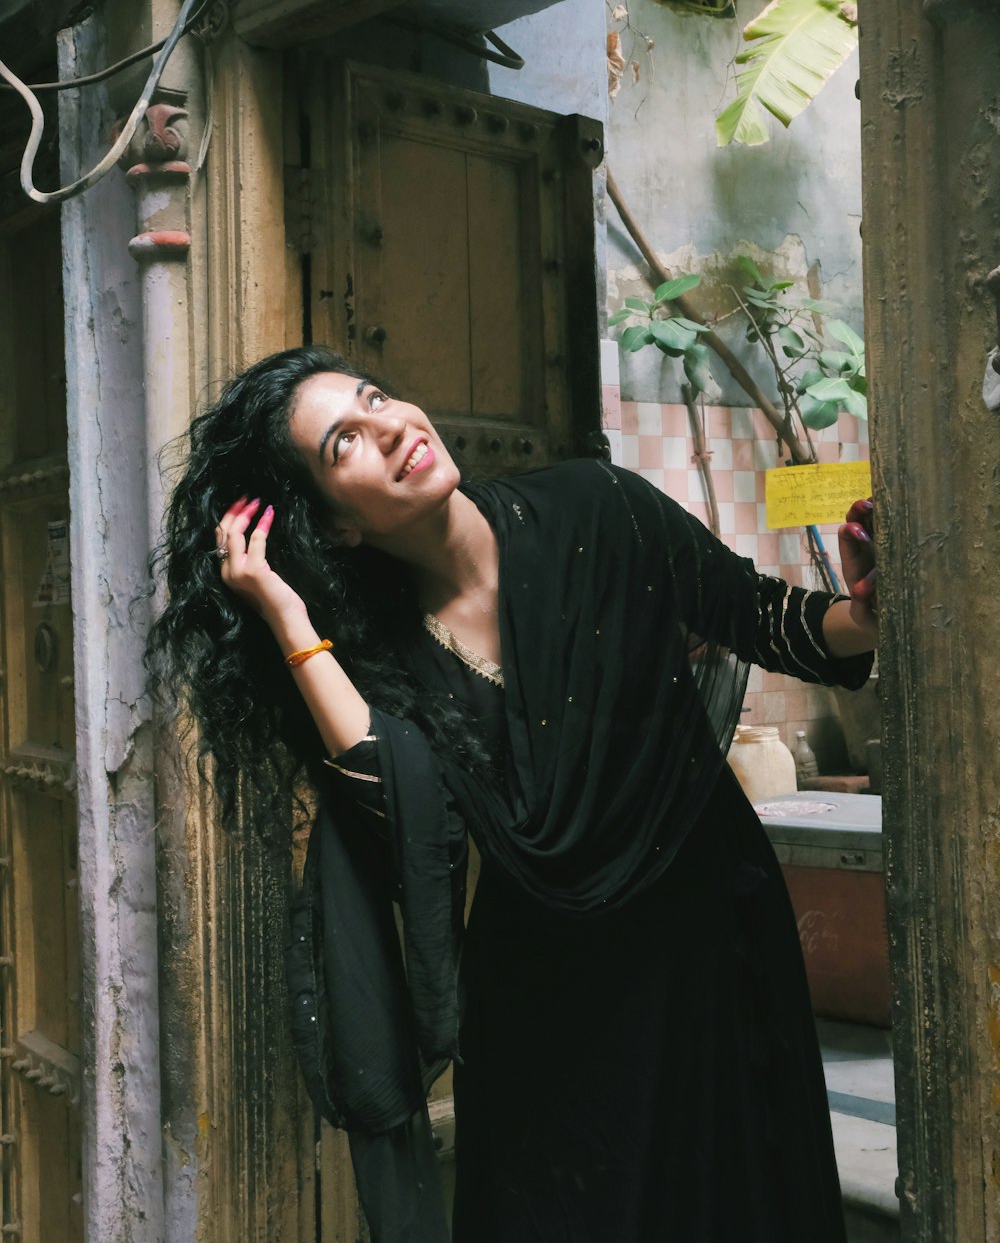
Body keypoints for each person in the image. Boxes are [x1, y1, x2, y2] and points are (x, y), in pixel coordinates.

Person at [148, 343, 877, 1243]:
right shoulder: (378, 653)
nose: (391, 426)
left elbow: (769, 621)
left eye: (377, 397)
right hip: (546, 994)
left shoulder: (596, 507)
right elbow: (397, 802)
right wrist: (286, 613)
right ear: (336, 525)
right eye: (345, 443)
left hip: (705, 950)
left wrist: (865, 613)